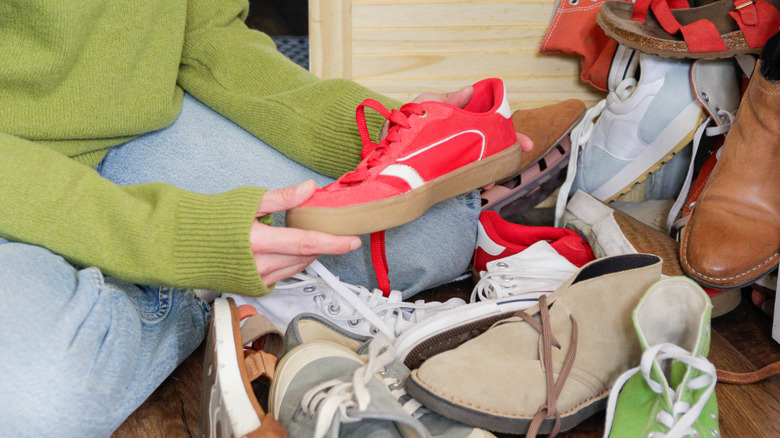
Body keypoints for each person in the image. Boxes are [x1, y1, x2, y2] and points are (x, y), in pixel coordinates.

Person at [0, 1, 533, 436]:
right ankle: (195, 295)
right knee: (34, 397)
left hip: (139, 136)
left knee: (437, 233)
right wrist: (171, 239)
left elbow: (210, 35)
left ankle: (195, 289)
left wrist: (382, 138)